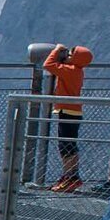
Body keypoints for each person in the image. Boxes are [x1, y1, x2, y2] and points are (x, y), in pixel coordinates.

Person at [42, 43, 93, 192]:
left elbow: (48, 64)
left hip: (68, 111)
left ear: (76, 59)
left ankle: (71, 177)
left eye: (70, 55)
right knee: (68, 146)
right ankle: (70, 176)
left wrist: (57, 49)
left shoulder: (70, 70)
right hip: (72, 112)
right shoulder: (77, 71)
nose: (67, 57)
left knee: (66, 147)